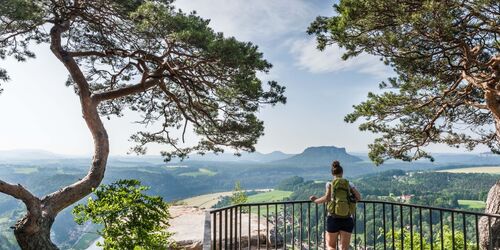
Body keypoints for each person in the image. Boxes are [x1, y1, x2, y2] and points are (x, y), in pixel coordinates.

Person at [309, 160, 361, 250]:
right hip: (347, 218)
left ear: (332, 174)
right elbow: (359, 198)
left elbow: (327, 198)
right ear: (342, 173)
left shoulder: (329, 184)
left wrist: (315, 200)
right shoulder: (349, 184)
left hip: (333, 218)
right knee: (344, 248)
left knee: (330, 246)